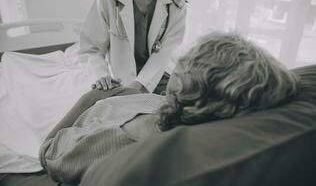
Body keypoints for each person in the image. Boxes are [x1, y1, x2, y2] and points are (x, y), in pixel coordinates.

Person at [39, 32, 299, 184]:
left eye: (179, 66)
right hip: (125, 94)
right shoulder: (173, 106)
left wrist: (89, 98)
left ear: (183, 82)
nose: (173, 68)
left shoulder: (114, 141)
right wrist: (129, 91)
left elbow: (48, 152)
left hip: (88, 109)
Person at [78, 0, 188, 94]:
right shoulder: (106, 0)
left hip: (158, 79)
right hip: (118, 82)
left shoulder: (177, 6)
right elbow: (91, 49)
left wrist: (140, 84)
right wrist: (101, 76)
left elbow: (165, 54)